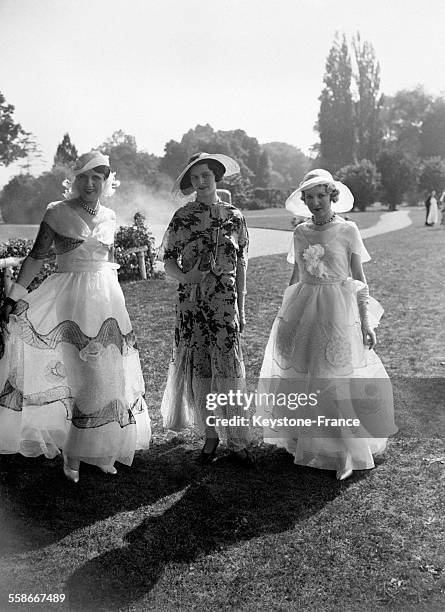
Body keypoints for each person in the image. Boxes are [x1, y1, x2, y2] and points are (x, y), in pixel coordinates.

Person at [0, 151, 151, 482]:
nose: (90, 182)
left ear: (106, 182)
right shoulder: (57, 212)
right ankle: (73, 451)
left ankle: (98, 450)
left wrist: (115, 301)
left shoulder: (110, 215)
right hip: (72, 296)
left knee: (108, 374)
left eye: (98, 177)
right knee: (83, 377)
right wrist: (14, 297)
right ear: (75, 179)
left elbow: (108, 262)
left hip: (107, 300)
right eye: (84, 176)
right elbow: (37, 257)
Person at [257, 169, 397, 480]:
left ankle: (345, 450)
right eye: (309, 197)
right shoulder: (300, 233)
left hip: (338, 309)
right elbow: (296, 278)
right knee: (307, 375)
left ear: (331, 195)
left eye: (321, 195)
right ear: (303, 200)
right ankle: (308, 440)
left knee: (336, 376)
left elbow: (359, 278)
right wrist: (285, 316)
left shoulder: (348, 230)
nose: (316, 201)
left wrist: (365, 322)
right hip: (304, 308)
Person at [160, 152, 254, 467]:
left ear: (216, 177)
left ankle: (238, 439)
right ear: (191, 181)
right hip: (192, 300)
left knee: (228, 366)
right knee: (201, 368)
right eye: (196, 176)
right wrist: (187, 276)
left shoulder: (234, 216)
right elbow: (168, 262)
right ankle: (210, 437)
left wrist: (241, 304)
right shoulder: (182, 217)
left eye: (207, 175)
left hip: (224, 299)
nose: (202, 181)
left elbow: (240, 263)